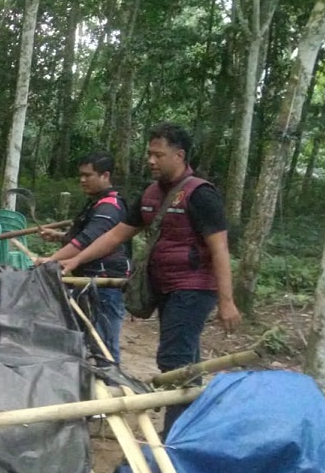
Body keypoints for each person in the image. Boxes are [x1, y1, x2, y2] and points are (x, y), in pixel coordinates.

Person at [57, 122, 241, 435]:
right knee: (185, 361)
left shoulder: (201, 194)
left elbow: (220, 249)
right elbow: (117, 234)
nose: (151, 161)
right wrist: (75, 260)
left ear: (179, 155)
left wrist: (227, 301)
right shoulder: (152, 194)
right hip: (165, 288)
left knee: (174, 360)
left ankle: (175, 436)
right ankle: (191, 429)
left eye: (159, 155)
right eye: (149, 154)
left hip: (194, 288)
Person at [38, 153, 131, 362]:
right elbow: (86, 236)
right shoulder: (97, 203)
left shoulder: (109, 206)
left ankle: (110, 386)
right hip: (87, 280)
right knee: (83, 339)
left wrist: (52, 259)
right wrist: (61, 237)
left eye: (87, 175)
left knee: (103, 344)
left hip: (104, 283)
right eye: (80, 175)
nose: (82, 180)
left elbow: (88, 240)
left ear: (105, 175)